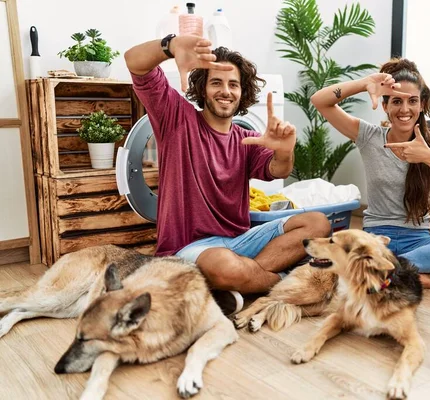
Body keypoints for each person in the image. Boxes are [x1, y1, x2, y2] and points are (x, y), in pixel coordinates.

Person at [124, 35, 331, 314]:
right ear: (203, 88)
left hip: (240, 241)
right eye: (216, 83)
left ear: (242, 92)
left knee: (318, 223)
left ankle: (239, 284)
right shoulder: (176, 119)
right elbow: (135, 63)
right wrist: (170, 46)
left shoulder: (247, 139)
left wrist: (285, 151)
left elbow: (280, 169)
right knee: (224, 266)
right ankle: (282, 282)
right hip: (190, 248)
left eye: (233, 84)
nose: (226, 91)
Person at [310, 58, 430, 291]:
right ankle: (421, 278)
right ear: (385, 106)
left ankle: (386, 271)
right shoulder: (369, 137)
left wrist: (428, 156)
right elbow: (320, 101)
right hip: (376, 240)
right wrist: (365, 83)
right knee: (347, 260)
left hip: (419, 241)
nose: (404, 109)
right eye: (396, 101)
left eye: (412, 101)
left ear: (421, 104)